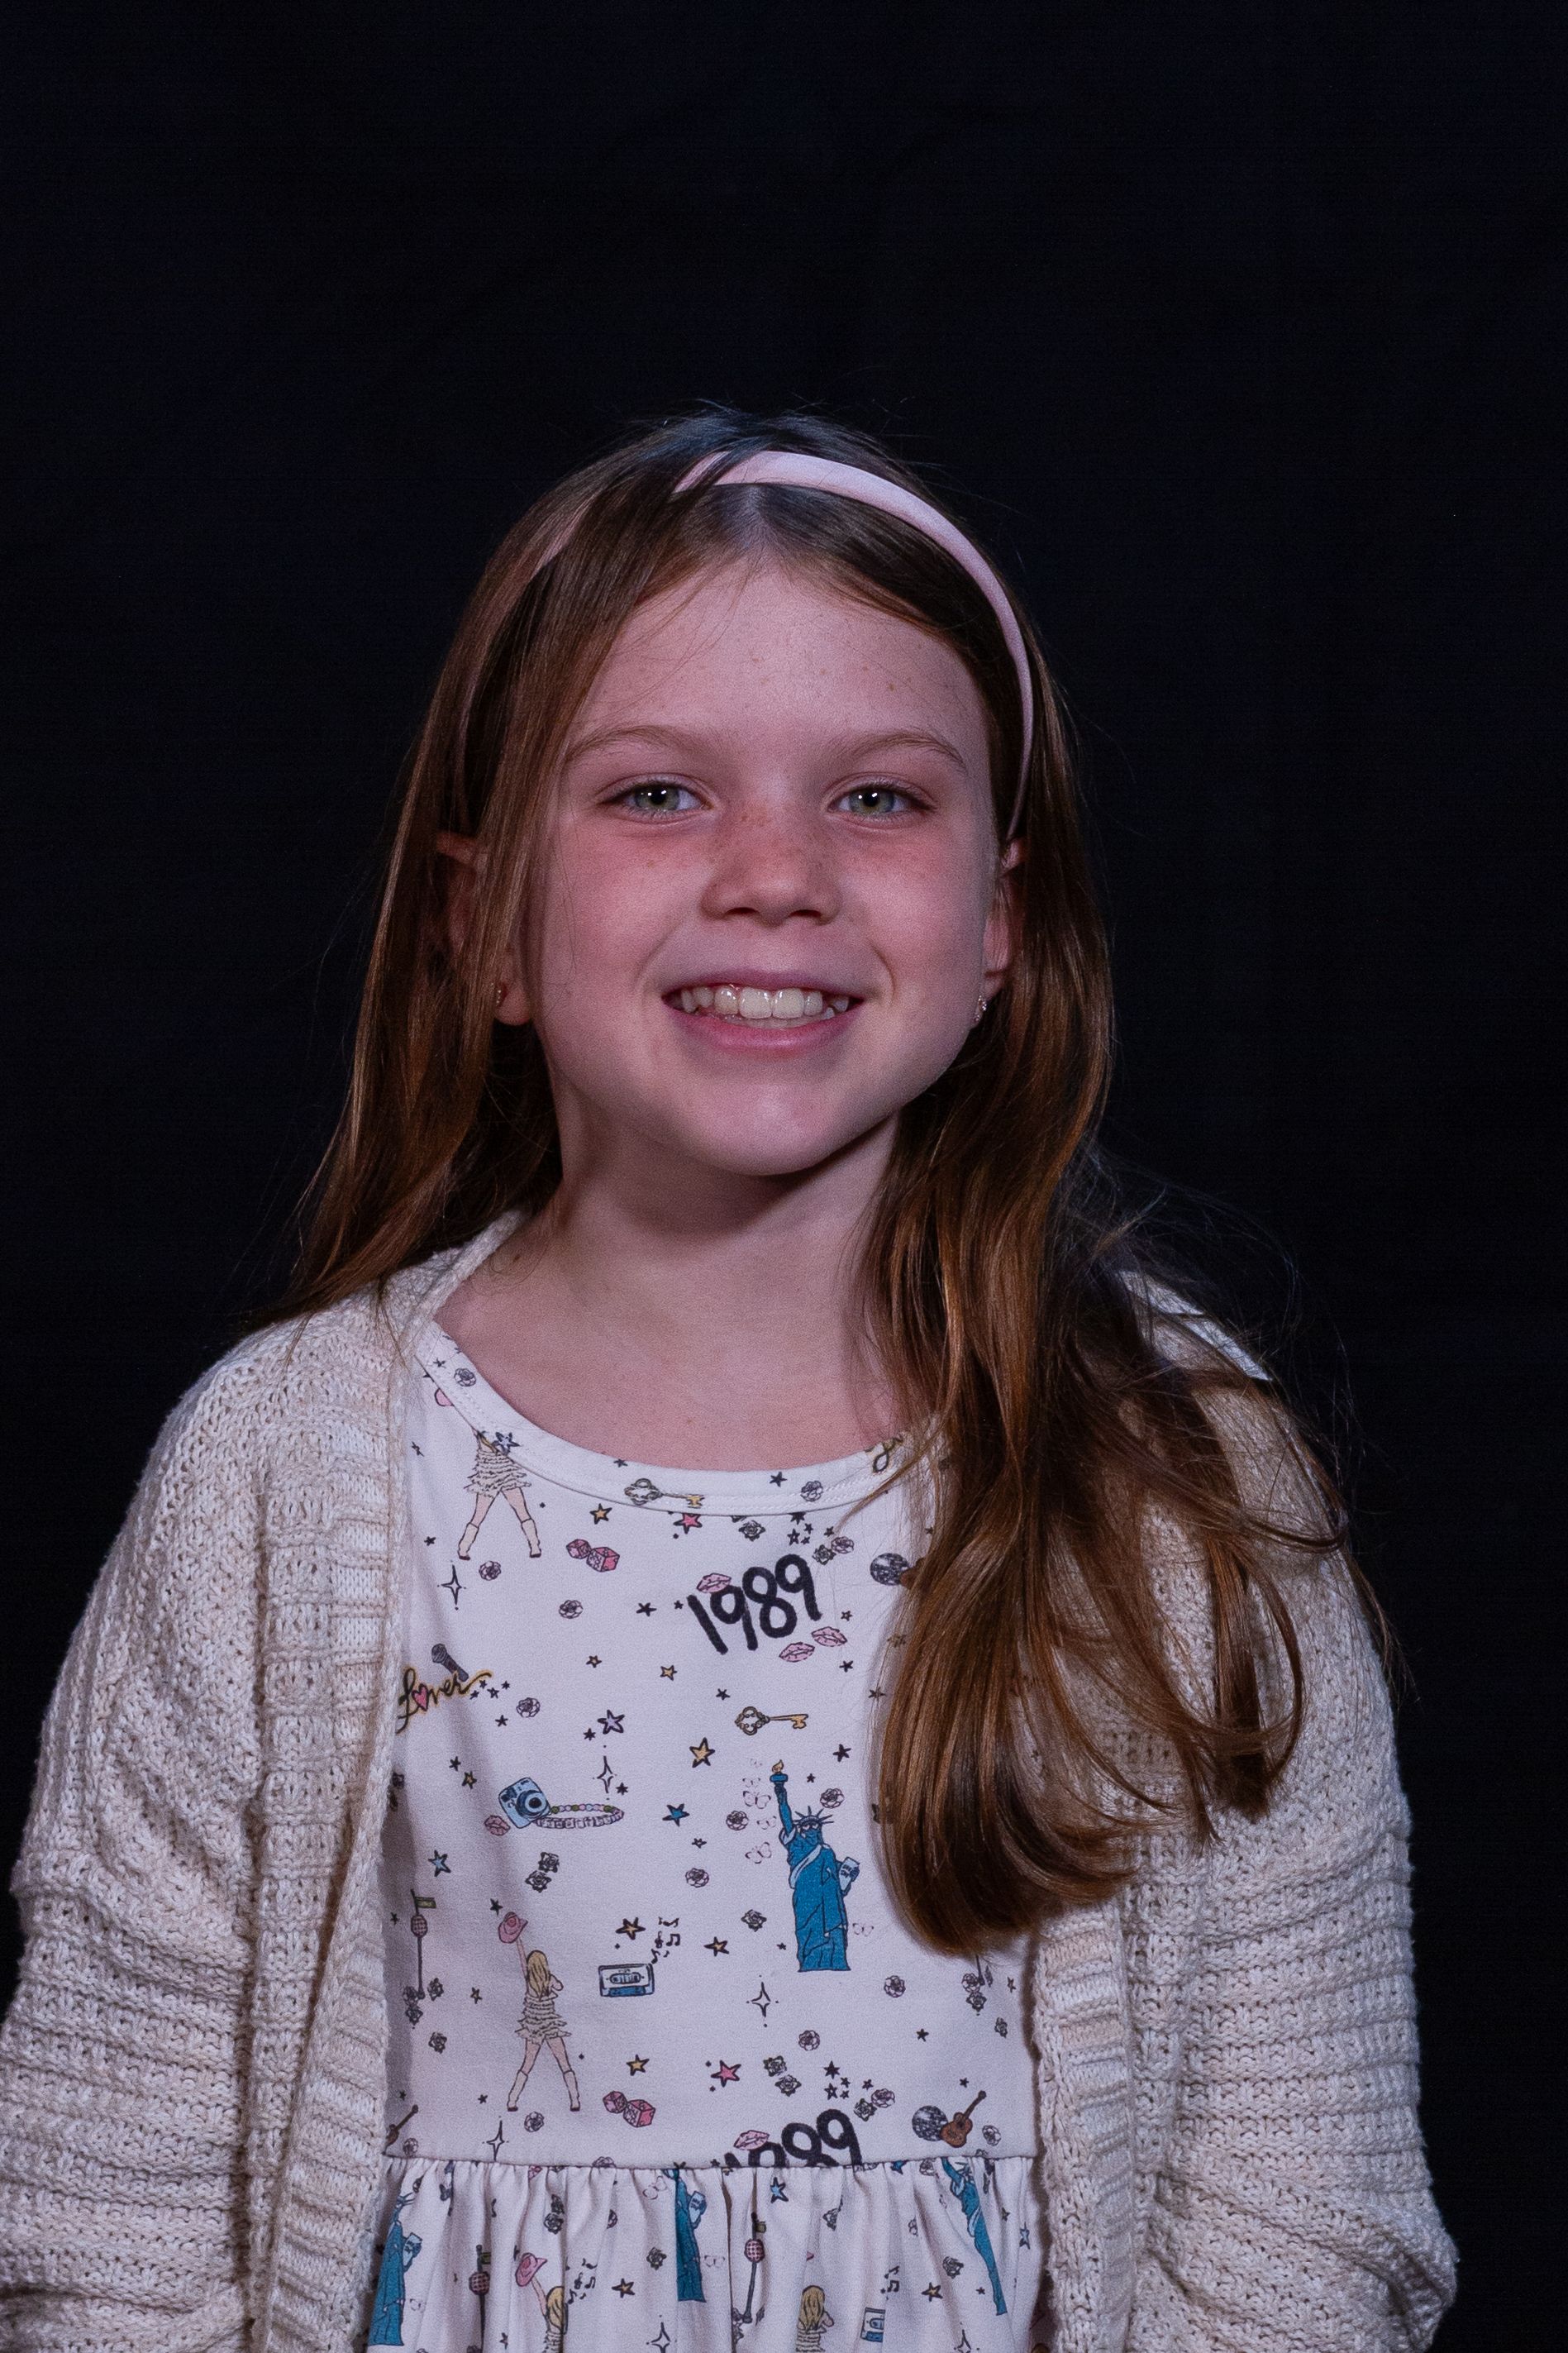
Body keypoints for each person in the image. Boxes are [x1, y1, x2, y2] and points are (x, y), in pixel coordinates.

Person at [0, 408, 1456, 2351]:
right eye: (658, 792)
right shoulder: (281, 1470)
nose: (776, 873)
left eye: (878, 798)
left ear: (1002, 923)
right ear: (483, 924)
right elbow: (107, 2196)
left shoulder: (1177, 1471)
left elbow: (1299, 2202)